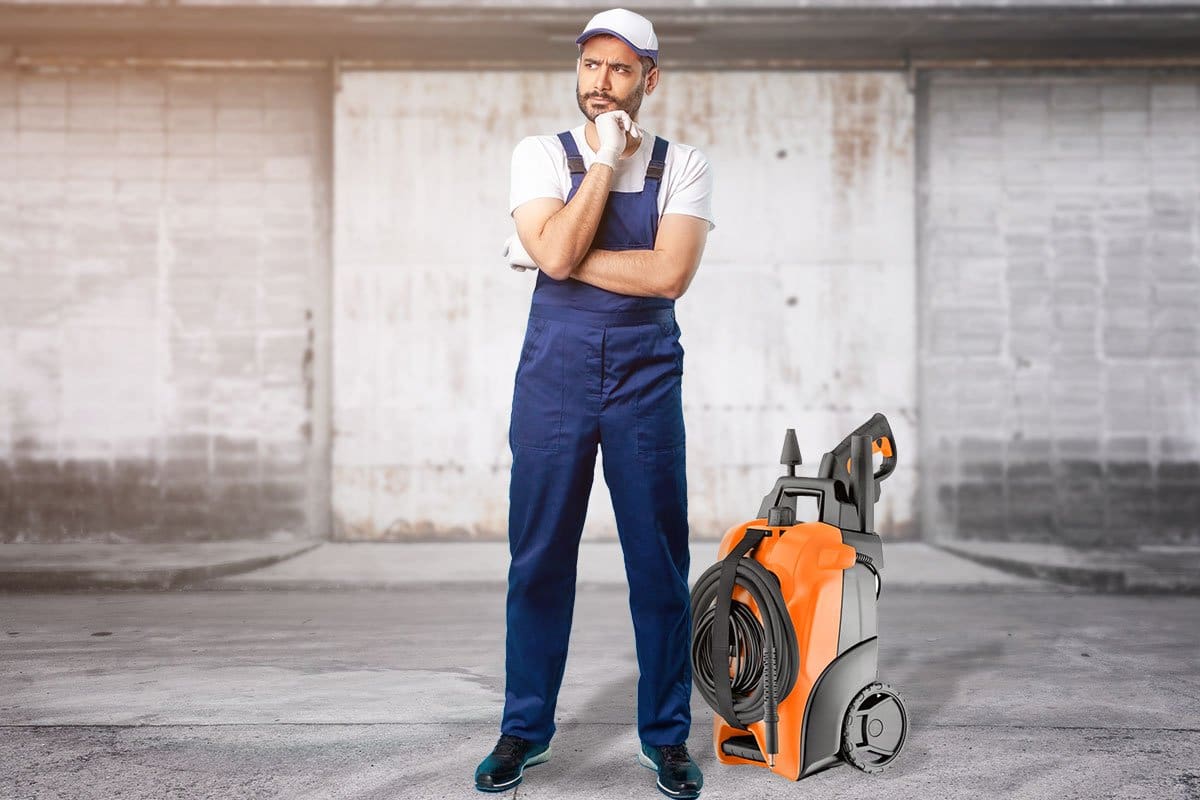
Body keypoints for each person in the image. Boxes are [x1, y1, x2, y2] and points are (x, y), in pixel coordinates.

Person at [475, 8, 715, 799]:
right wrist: (603, 168)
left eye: (619, 70)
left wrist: (557, 254)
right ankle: (523, 730)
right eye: (590, 67)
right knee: (539, 554)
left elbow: (667, 277)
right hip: (556, 376)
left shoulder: (686, 164)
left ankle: (668, 738)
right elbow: (574, 254)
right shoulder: (539, 154)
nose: (600, 84)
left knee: (658, 562)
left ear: (650, 77)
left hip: (646, 379)